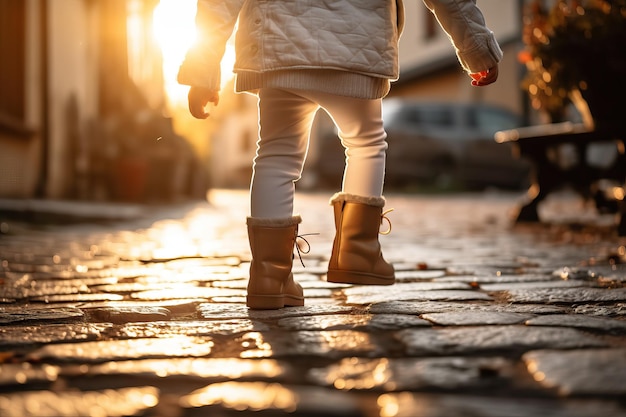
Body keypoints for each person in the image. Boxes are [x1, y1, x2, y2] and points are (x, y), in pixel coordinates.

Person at [178, 0, 502, 309]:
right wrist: (475, 47)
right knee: (365, 143)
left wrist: (203, 69)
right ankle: (358, 251)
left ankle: (268, 275)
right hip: (355, 44)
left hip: (277, 46)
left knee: (276, 157)